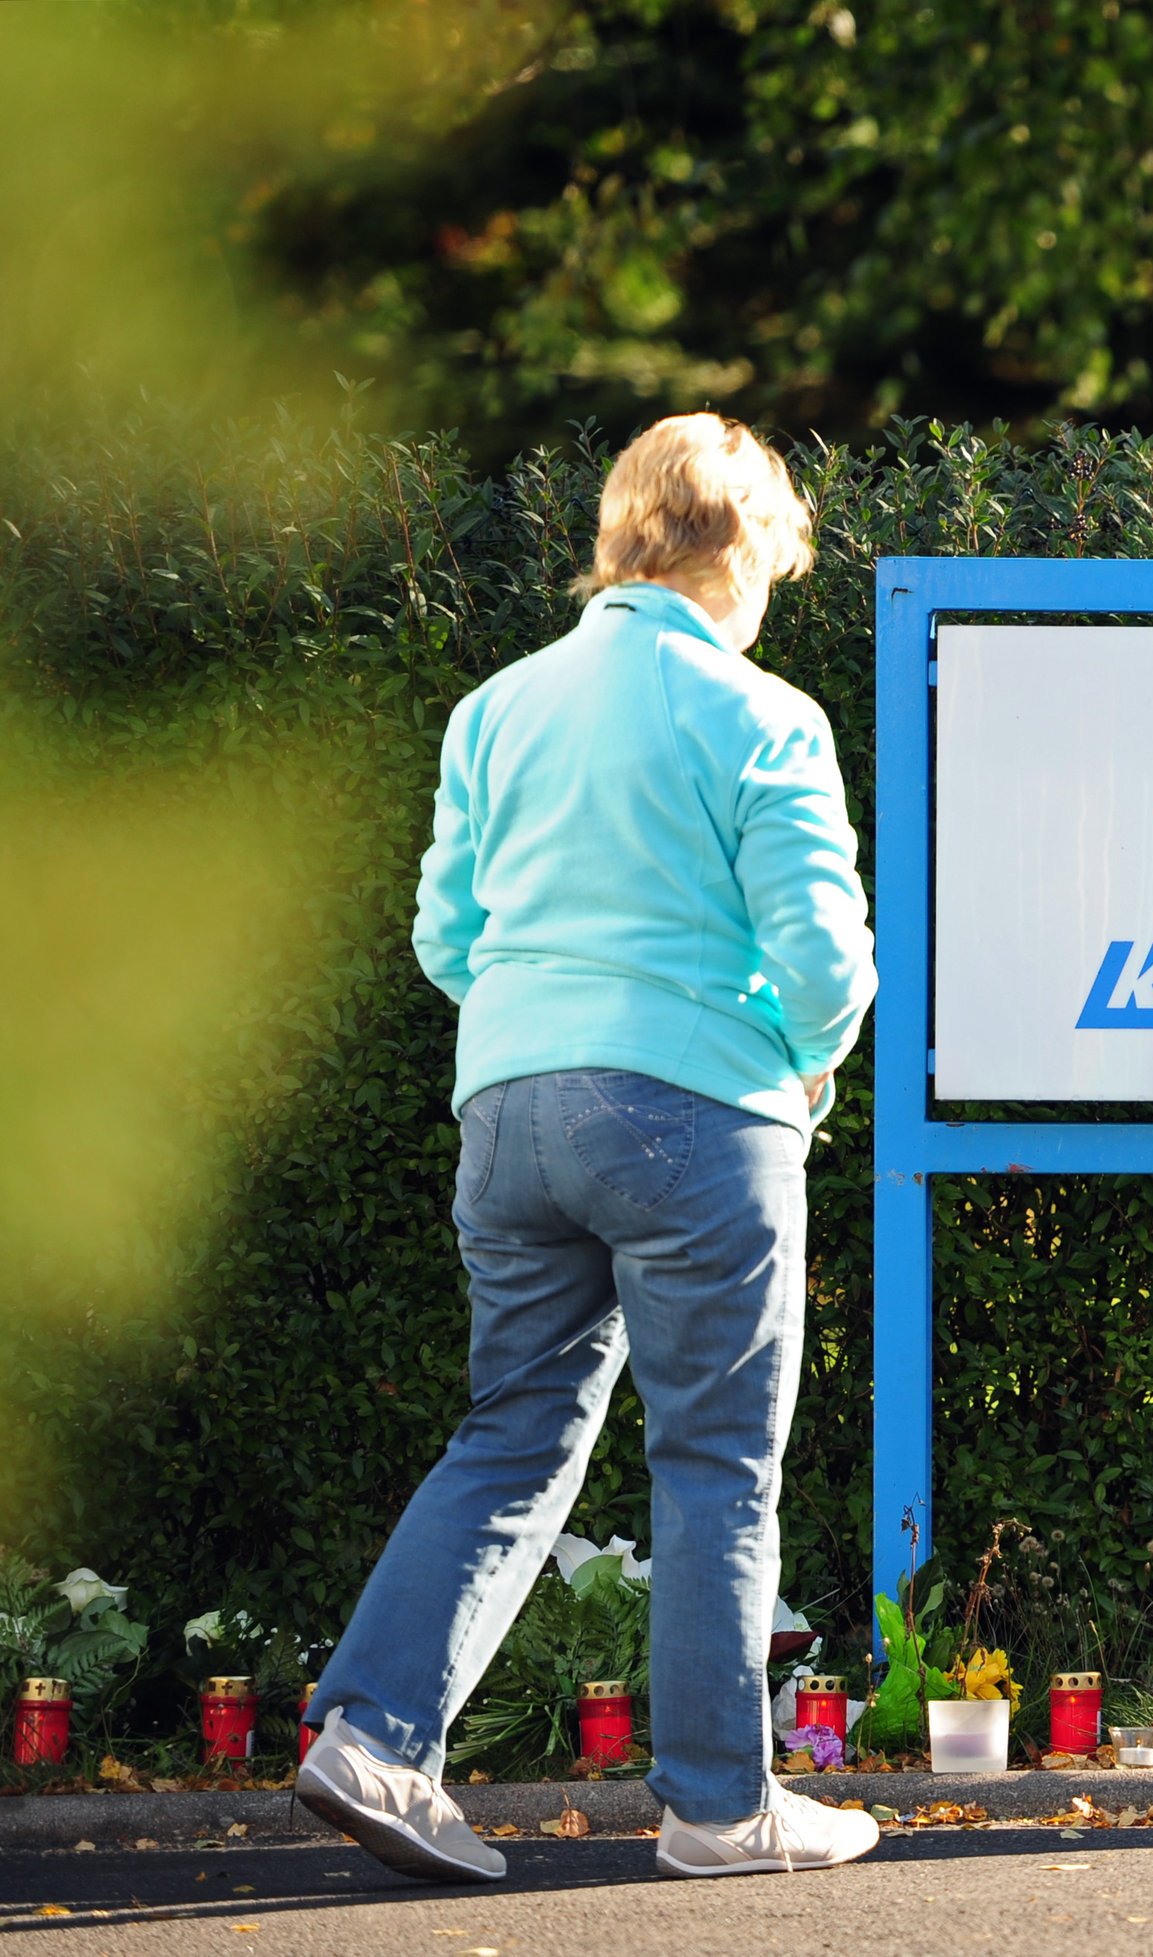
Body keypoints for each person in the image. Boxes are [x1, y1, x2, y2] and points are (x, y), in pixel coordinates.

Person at [295, 414, 880, 1882]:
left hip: (509, 1107)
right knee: (715, 1458)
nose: (769, 599)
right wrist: (797, 1071)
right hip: (698, 1110)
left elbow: (447, 932)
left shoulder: (497, 706)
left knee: (510, 1431)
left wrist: (541, 1025)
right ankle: (716, 1804)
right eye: (773, 566)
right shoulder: (762, 716)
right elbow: (823, 963)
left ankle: (371, 1733)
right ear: (736, 550)